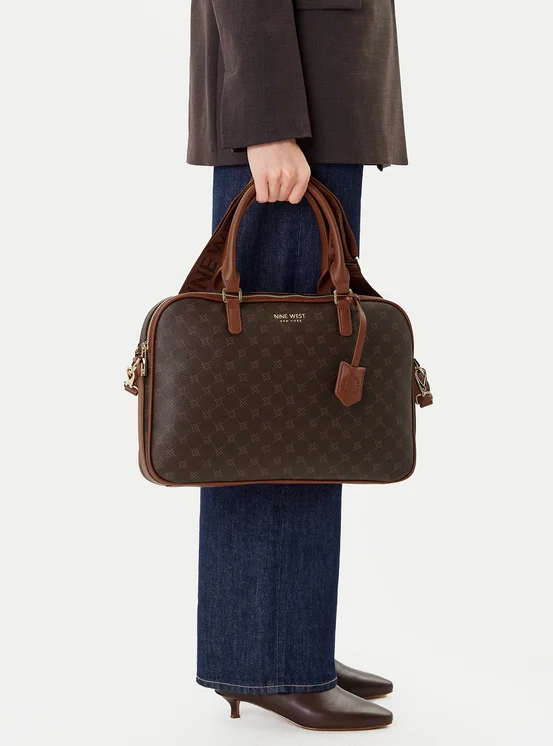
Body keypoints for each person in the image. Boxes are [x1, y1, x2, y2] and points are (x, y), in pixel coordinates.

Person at [187, 0, 408, 731]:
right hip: (293, 119)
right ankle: (270, 659)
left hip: (315, 110)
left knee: (307, 403)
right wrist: (268, 123)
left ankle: (287, 638)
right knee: (278, 403)